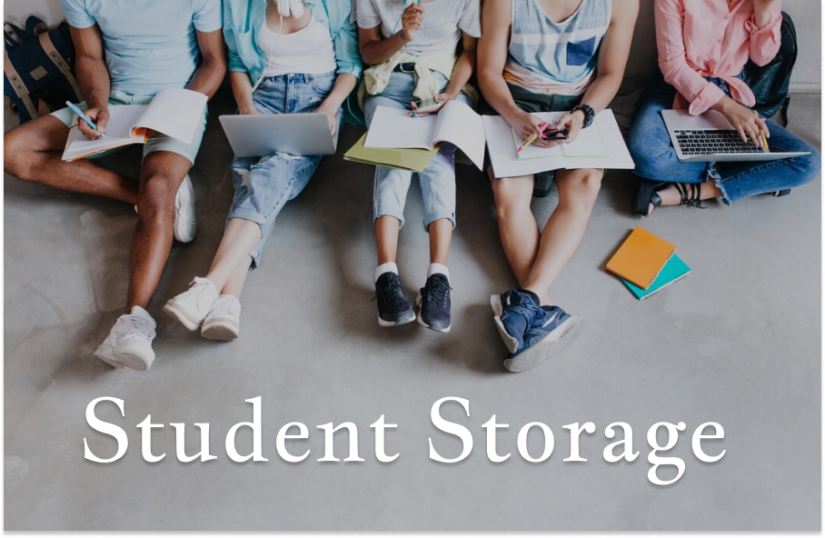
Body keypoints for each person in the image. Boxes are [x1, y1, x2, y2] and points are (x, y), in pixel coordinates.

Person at [4, 0, 226, 371]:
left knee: (157, 186)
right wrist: (97, 105)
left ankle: (134, 321)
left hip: (180, 102)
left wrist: (180, 107)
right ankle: (147, 196)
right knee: (12, 151)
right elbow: (89, 58)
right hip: (118, 103)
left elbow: (213, 61)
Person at [164, 0, 361, 341]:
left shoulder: (333, 4)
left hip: (315, 99)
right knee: (249, 182)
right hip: (262, 97)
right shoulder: (239, 5)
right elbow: (238, 63)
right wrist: (246, 106)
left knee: (270, 177)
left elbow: (351, 64)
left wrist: (329, 109)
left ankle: (209, 285)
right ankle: (227, 302)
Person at [478, 0, 638, 371]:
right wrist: (516, 115)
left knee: (586, 184)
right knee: (508, 191)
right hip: (514, 102)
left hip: (579, 105)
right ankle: (543, 308)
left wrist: (583, 114)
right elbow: (488, 72)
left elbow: (611, 74)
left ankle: (528, 301)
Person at [356, 0, 481, 333]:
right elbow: (368, 52)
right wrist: (403, 36)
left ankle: (438, 276)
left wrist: (451, 94)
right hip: (388, 85)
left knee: (439, 161)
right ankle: (386, 273)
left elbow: (470, 52)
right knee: (394, 161)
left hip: (443, 86)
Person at [629, 0, 821, 216]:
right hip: (674, 87)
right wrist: (727, 107)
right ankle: (757, 176)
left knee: (809, 162)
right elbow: (673, 67)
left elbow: (762, 58)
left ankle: (695, 190)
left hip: (731, 89)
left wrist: (764, 9)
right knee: (646, 157)